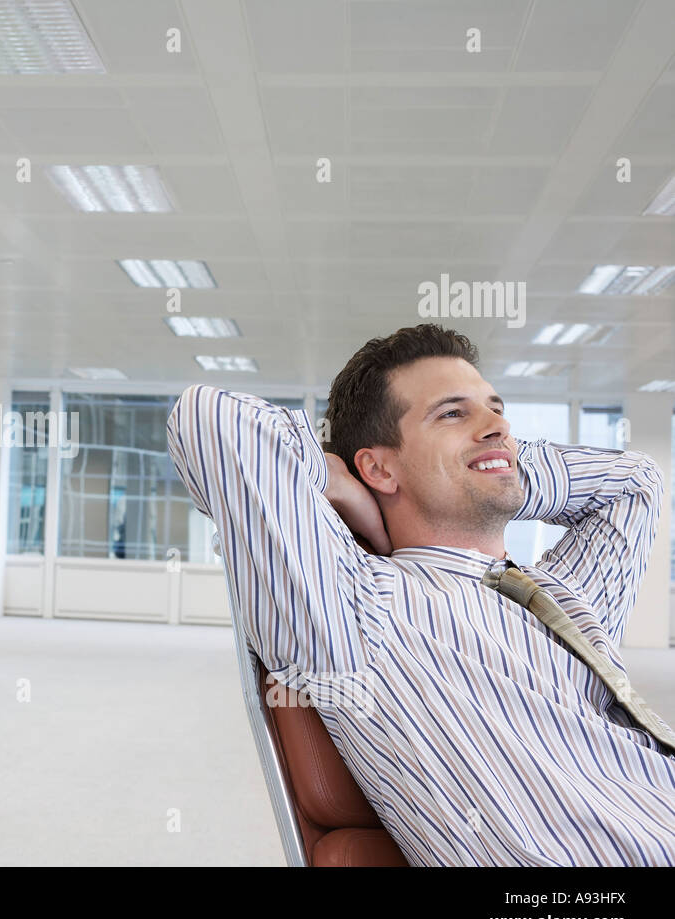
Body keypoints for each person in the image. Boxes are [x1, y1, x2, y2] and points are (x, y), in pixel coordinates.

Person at [166, 323, 674, 866]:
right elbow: (210, 420)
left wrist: (497, 465)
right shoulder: (358, 608)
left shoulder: (568, 597)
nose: (498, 426)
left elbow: (635, 481)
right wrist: (339, 481)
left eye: (495, 408)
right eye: (453, 413)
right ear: (379, 467)